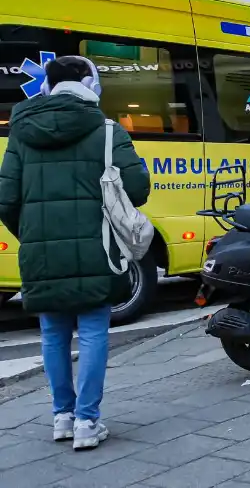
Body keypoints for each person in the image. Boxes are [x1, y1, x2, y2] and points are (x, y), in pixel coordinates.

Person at [0, 56, 150, 451]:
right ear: (88, 82)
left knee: (52, 332)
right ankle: (87, 420)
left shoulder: (21, 130)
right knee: (94, 329)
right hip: (96, 244)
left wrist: (33, 234)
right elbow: (137, 189)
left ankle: (61, 417)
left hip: (40, 249)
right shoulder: (106, 130)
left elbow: (6, 198)